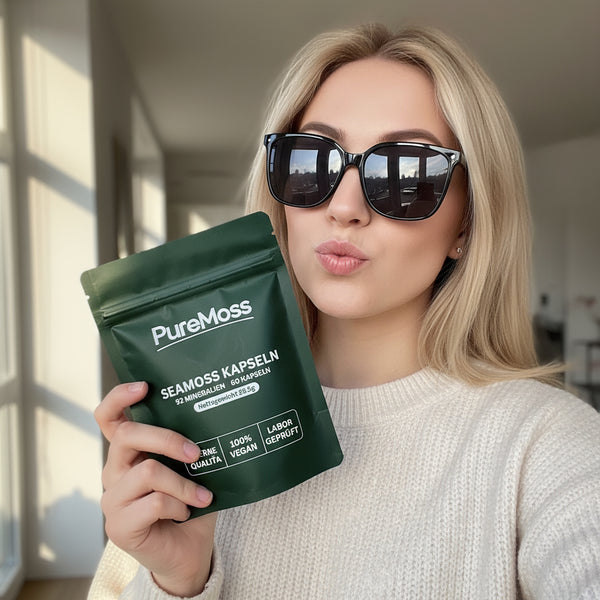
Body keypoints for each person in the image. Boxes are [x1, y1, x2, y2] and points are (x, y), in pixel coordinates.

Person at [88, 23, 600, 599]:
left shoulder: (544, 442)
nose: (345, 206)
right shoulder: (192, 430)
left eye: (405, 173)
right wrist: (179, 582)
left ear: (466, 223)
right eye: (311, 159)